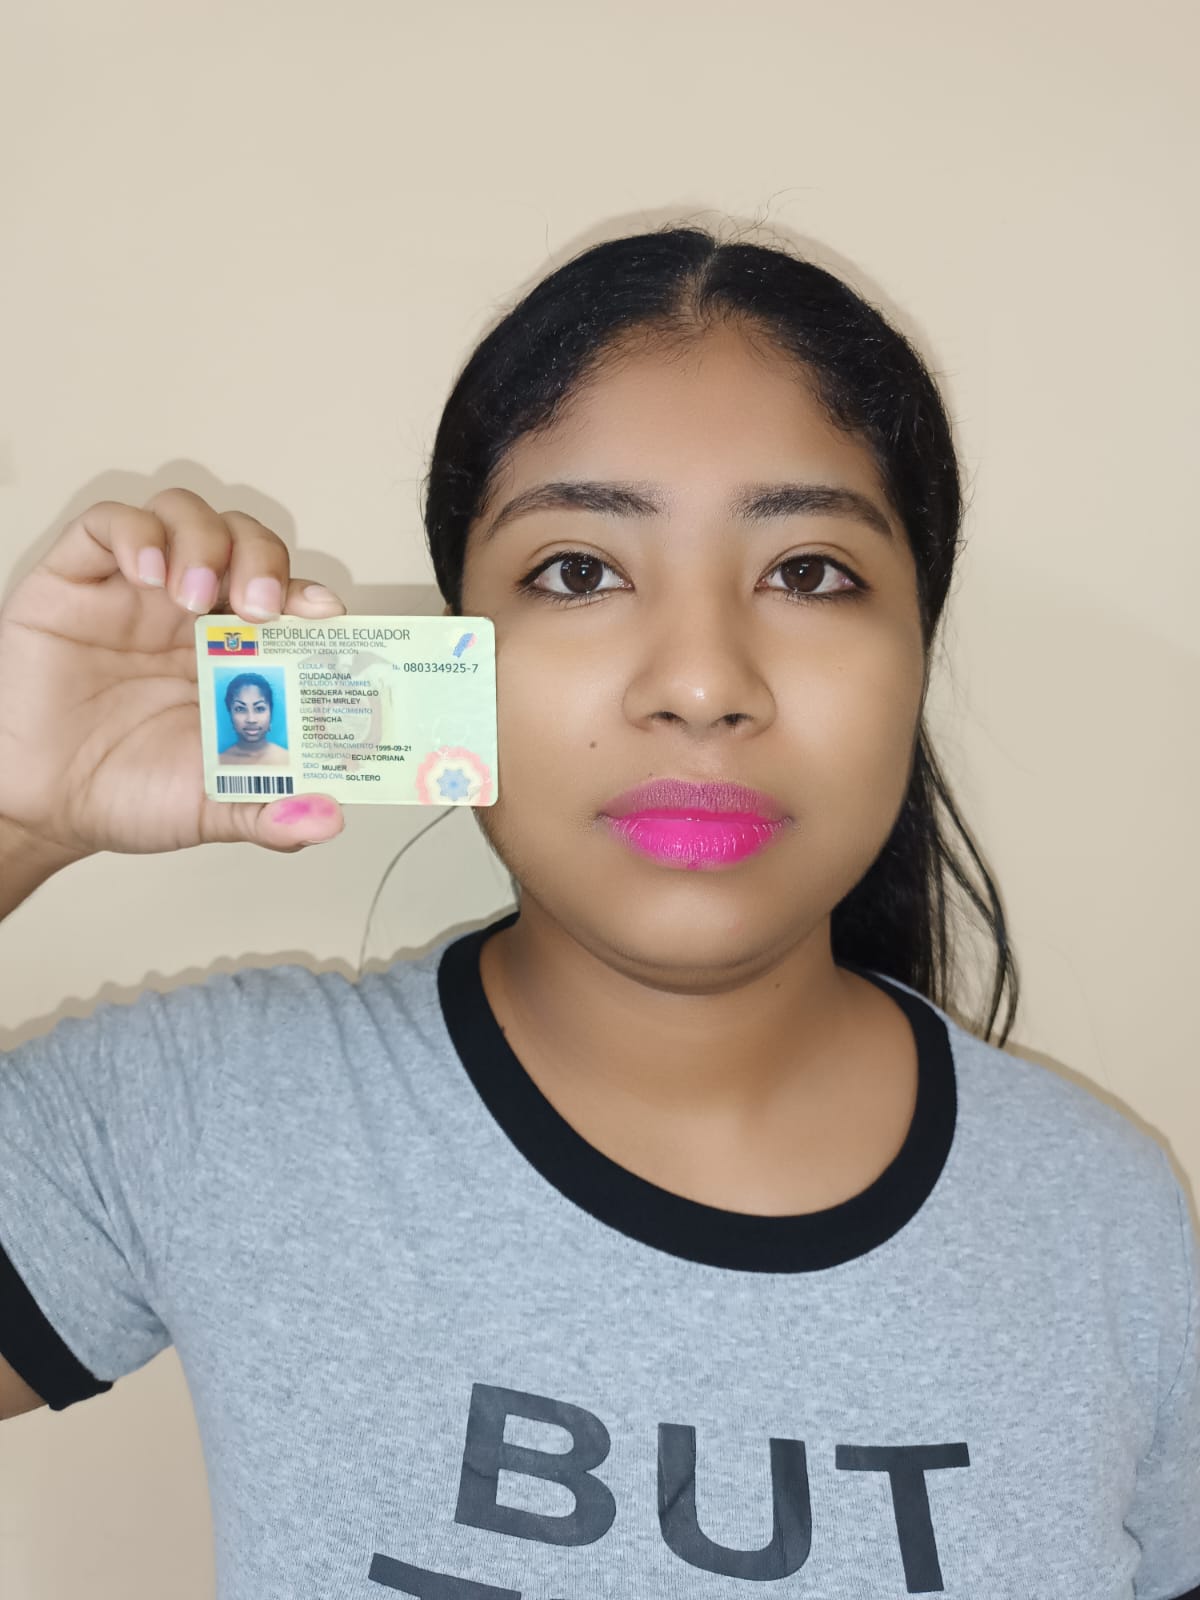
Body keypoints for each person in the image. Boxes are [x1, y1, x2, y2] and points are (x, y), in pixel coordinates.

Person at [0, 226, 1196, 1600]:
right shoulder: (218, 1112)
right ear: (453, 653)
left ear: (917, 649)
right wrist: (18, 818)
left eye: (809, 571)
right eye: (578, 570)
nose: (701, 682)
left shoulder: (1107, 1219)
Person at [218, 672, 291, 765]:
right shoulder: (220, 761)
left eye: (259, 708)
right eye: (240, 709)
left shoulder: (288, 759)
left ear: (271, 712)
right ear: (230, 714)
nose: (251, 720)